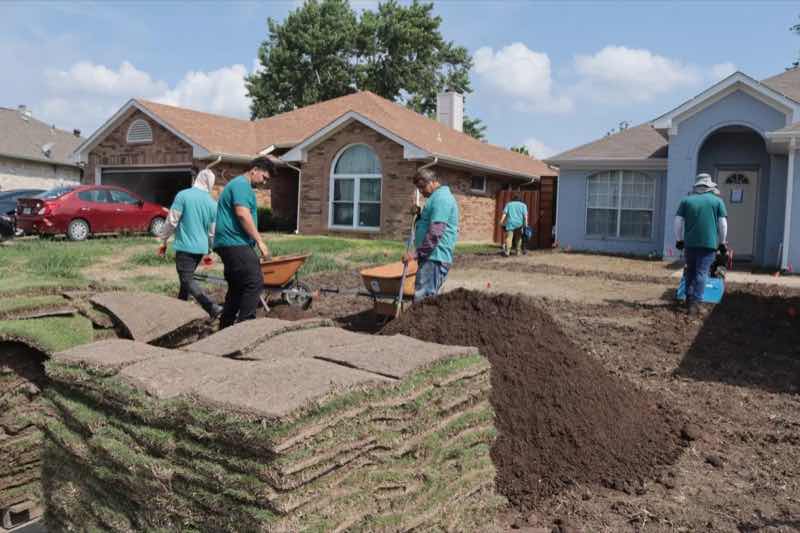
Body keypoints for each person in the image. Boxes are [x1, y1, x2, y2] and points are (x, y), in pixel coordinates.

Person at [213, 157, 273, 328]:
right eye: (264, 177)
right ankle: (245, 328)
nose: (264, 182)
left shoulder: (239, 185)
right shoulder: (241, 185)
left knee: (237, 288)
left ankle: (225, 328)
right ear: (254, 170)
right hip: (234, 242)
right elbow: (242, 214)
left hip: (230, 243)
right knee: (254, 281)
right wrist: (260, 241)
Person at [158, 168, 222, 318]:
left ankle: (211, 307)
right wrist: (210, 250)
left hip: (185, 247)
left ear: (197, 179)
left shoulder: (183, 195)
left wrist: (163, 239)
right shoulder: (212, 203)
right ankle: (181, 310)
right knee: (185, 280)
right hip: (200, 249)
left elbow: (172, 221)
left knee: (186, 279)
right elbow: (212, 231)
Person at [674, 173, 728, 315]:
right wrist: (722, 242)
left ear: (696, 187)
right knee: (701, 272)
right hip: (708, 244)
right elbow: (723, 224)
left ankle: (689, 300)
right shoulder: (717, 201)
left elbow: (678, 221)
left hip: (690, 244)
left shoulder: (686, 201)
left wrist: (679, 240)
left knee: (690, 271)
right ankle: (695, 304)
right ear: (710, 187)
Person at [403, 168, 459, 301]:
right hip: (431, 257)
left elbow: (435, 233)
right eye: (418, 188)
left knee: (423, 299)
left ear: (433, 182)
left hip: (435, 258)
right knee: (426, 298)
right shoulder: (436, 198)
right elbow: (429, 224)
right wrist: (419, 215)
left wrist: (416, 254)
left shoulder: (441, 198)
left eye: (422, 187)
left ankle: (418, 322)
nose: (421, 192)